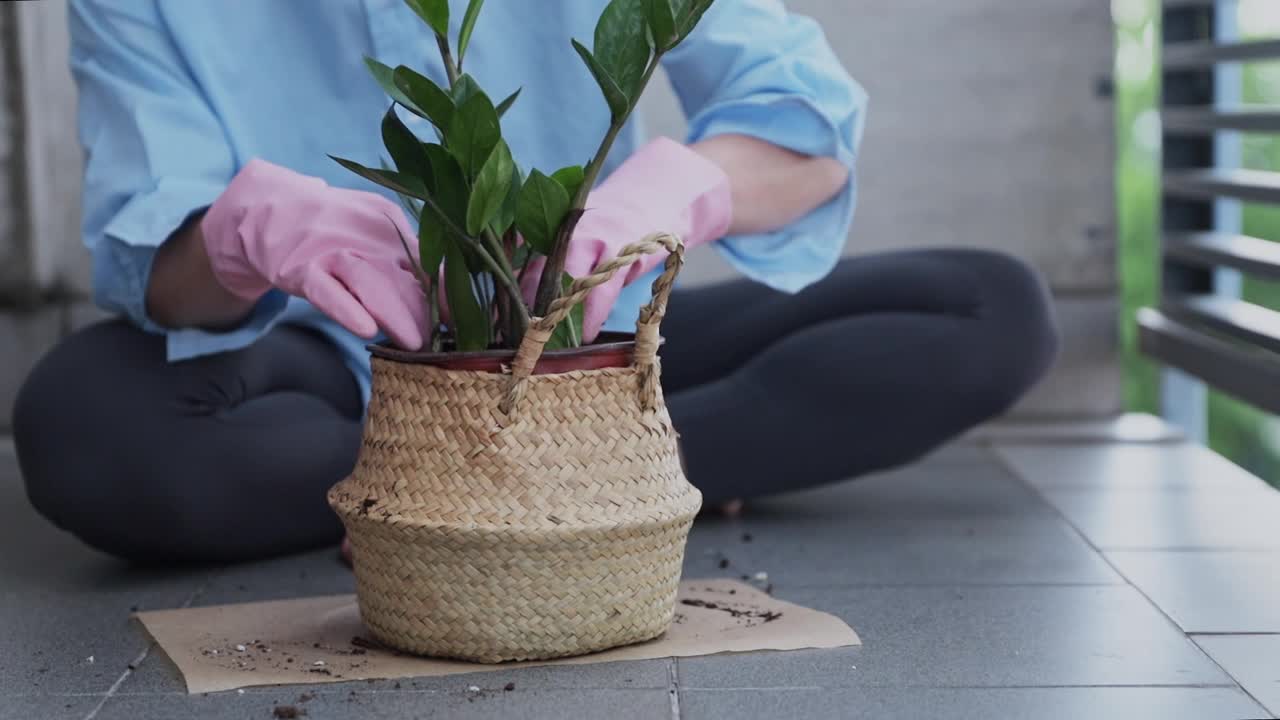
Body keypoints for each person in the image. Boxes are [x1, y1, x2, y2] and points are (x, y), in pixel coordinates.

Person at [13, 0, 1058, 564]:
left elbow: (802, 127)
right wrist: (240, 237)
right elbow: (161, 276)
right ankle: (602, 493)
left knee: (989, 309)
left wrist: (681, 185)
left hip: (572, 354)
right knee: (83, 426)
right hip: (327, 361)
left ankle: (465, 498)